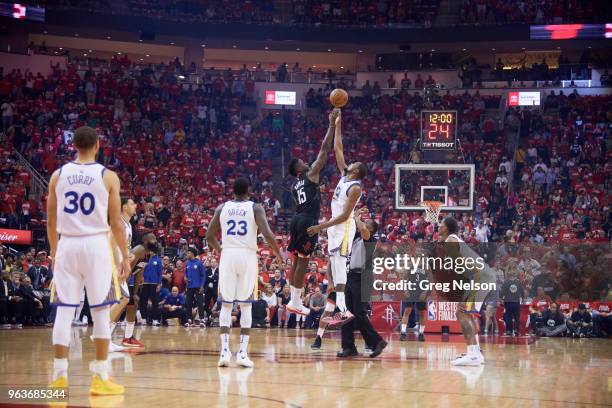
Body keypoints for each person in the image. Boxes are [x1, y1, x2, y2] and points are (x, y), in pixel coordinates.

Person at [47, 126, 129, 394]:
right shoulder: (108, 176)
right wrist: (125, 257)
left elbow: (50, 221)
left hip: (67, 244)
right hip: (96, 245)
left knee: (64, 311)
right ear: (97, 145)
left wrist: (54, 251)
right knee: (101, 311)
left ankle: (59, 378)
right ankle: (100, 378)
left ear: (74, 146)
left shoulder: (57, 175)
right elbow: (116, 223)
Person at [206, 178, 283, 368]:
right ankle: (242, 354)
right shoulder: (255, 207)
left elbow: (209, 236)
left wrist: (220, 250)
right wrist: (278, 253)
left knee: (225, 305)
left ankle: (224, 352)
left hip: (228, 255)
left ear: (232, 191)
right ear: (248, 190)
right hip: (247, 256)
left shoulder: (221, 207)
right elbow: (267, 233)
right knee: (246, 305)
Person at [307, 112, 368, 327]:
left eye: (354, 164)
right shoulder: (344, 176)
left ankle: (343, 310)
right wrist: (337, 123)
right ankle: (342, 308)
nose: (350, 163)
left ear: (357, 171)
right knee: (334, 264)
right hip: (334, 227)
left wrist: (320, 226)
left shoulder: (355, 188)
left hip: (343, 226)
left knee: (341, 266)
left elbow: (344, 215)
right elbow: (338, 148)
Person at [286, 108, 340, 316]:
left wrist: (317, 191)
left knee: (297, 260)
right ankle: (296, 301)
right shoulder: (310, 174)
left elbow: (305, 198)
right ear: (299, 170)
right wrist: (331, 124)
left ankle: (293, 300)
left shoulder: (294, 186)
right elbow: (325, 150)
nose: (306, 161)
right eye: (302, 162)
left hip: (297, 219)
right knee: (303, 261)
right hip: (308, 221)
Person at [437, 216, 495, 366]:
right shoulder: (452, 240)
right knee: (465, 312)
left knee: (461, 311)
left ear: (447, 228)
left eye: (441, 224)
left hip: (478, 277)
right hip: (481, 276)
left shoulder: (450, 239)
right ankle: (475, 353)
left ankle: (473, 354)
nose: (438, 226)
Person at [338, 212, 387, 358]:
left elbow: (362, 229)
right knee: (346, 313)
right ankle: (348, 347)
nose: (364, 224)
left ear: (371, 229)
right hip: (351, 275)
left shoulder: (369, 239)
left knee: (359, 313)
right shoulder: (357, 238)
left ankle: (377, 341)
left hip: (363, 277)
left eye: (367, 223)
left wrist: (356, 217)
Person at [185, 247, 206, 327]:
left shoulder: (199, 263)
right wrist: (185, 277)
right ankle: (189, 320)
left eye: (188, 253)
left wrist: (202, 285)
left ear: (192, 254)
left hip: (198, 286)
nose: (187, 254)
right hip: (189, 286)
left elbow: (203, 275)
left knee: (200, 303)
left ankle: (202, 320)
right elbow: (186, 273)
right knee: (188, 303)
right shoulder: (187, 263)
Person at [501, 269, 524, 336]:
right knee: (517, 317)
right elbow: (522, 292)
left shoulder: (506, 282)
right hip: (516, 301)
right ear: (515, 275)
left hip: (508, 301)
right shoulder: (518, 282)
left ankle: (508, 330)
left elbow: (502, 292)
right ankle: (516, 330)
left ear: (509, 275)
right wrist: (522, 299)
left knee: (508, 316)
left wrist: (501, 298)